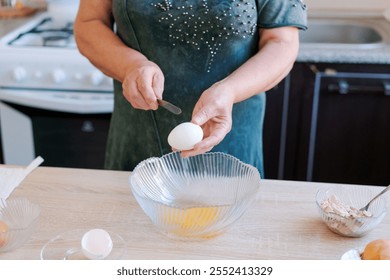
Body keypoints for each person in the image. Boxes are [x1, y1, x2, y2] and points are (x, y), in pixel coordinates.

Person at [74, 0, 307, 178]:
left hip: (231, 141)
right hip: (137, 140)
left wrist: (230, 91)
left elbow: (282, 42)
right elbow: (89, 23)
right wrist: (130, 65)